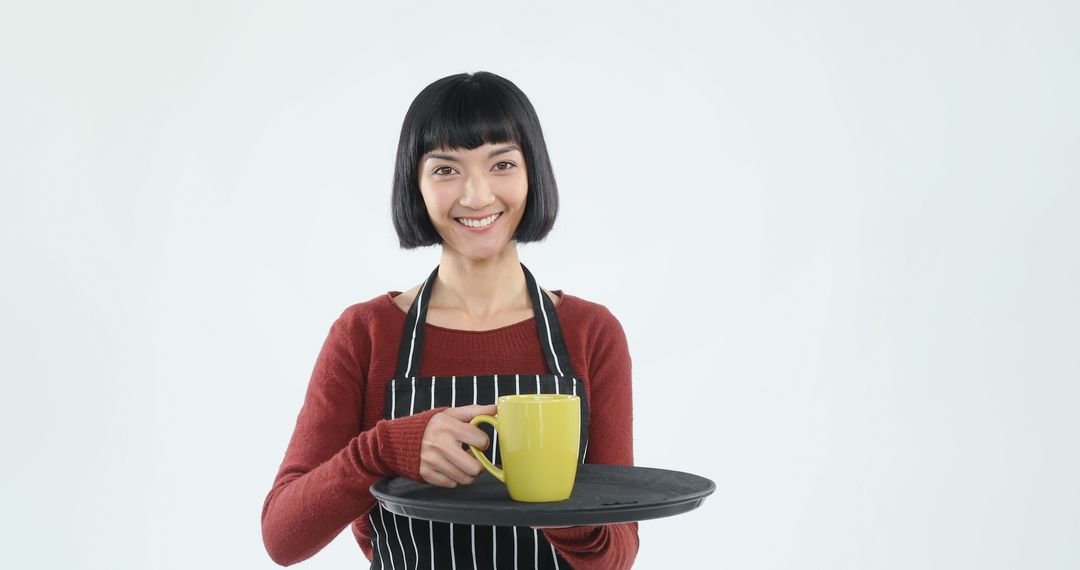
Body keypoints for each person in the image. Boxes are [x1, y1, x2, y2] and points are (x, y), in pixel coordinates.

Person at [261, 71, 638, 569]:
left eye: (501, 163)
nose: (477, 196)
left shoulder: (591, 333)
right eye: (446, 170)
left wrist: (552, 500)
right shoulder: (366, 334)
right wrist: (385, 451)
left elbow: (618, 558)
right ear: (415, 184)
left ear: (533, 173)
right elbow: (282, 537)